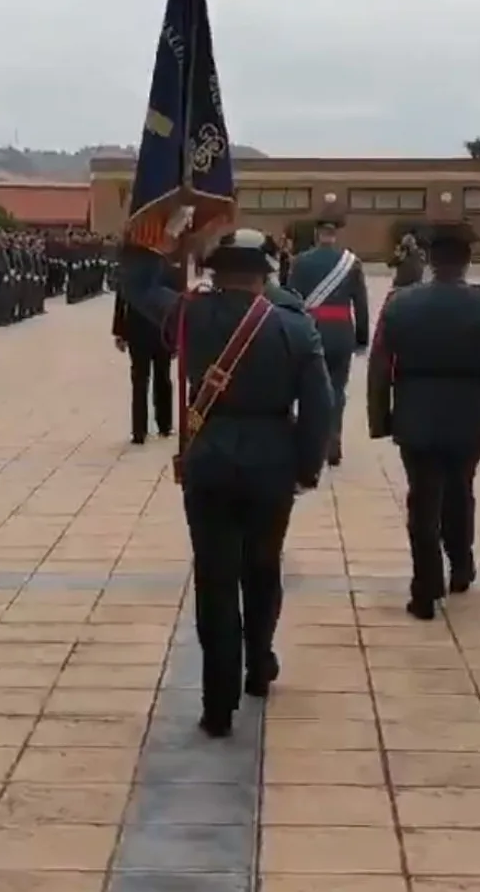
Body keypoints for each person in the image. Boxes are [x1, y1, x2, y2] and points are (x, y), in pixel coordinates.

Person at [119, 229, 333, 738]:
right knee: (262, 566)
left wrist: (155, 234)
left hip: (210, 456)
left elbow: (137, 287)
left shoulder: (191, 317)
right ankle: (258, 665)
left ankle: (218, 704)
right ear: (264, 276)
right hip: (273, 460)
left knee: (215, 578)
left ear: (214, 275)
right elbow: (320, 405)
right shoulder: (295, 327)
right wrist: (306, 468)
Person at [366, 221, 480, 622]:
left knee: (422, 499)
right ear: (468, 261)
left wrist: (380, 418)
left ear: (431, 260)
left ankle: (425, 588)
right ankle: (461, 566)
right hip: (469, 412)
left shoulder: (400, 304)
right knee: (460, 490)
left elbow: (380, 367)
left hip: (415, 410)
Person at [285, 216, 369, 467]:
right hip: (341, 331)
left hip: (309, 331)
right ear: (334, 235)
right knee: (337, 388)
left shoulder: (300, 262)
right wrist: (361, 338)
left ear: (316, 235)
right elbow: (361, 304)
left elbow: (290, 299)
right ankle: (333, 442)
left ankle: (311, 443)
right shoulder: (351, 263)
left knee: (308, 389)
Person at [111, 262, 176, 444]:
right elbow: (121, 302)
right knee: (142, 379)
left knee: (160, 378)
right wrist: (120, 332)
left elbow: (175, 304)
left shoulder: (167, 271)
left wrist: (175, 336)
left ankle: (163, 424)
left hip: (159, 331)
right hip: (142, 331)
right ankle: (140, 429)